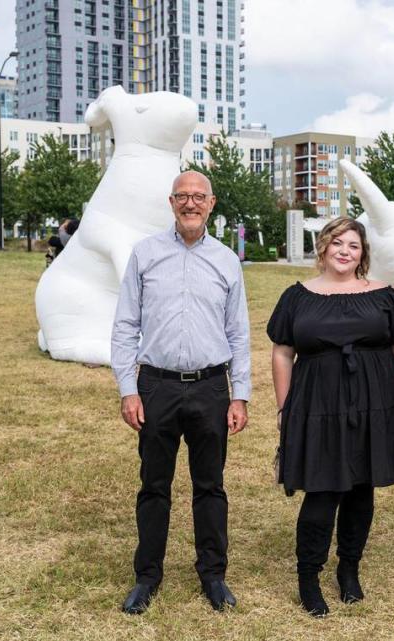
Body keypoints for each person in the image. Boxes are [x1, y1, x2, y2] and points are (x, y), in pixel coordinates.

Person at [267, 217, 394, 617]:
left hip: (377, 401)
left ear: (363, 254)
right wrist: (285, 408)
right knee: (323, 489)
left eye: (353, 246)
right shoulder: (297, 297)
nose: (344, 251)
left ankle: (349, 570)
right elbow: (282, 352)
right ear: (323, 247)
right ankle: (309, 577)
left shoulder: (384, 296)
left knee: (361, 487)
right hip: (318, 403)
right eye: (338, 243)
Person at [110, 170, 251, 615]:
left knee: (210, 486)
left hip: (210, 387)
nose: (191, 204)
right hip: (157, 387)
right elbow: (125, 325)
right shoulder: (145, 254)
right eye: (183, 196)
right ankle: (147, 577)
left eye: (199, 197)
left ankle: (213, 575)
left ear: (211, 204)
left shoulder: (227, 260)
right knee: (154, 486)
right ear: (171, 202)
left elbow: (239, 333)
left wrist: (239, 395)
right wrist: (128, 390)